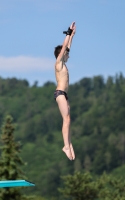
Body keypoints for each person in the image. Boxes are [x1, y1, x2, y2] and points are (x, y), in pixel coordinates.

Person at [54, 22, 76, 160]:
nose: (68, 55)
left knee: (68, 120)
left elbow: (67, 47)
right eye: (66, 54)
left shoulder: (63, 65)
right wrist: (68, 33)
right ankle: (66, 146)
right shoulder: (58, 63)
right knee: (66, 119)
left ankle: (68, 143)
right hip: (60, 94)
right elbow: (64, 49)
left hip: (64, 95)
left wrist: (72, 35)